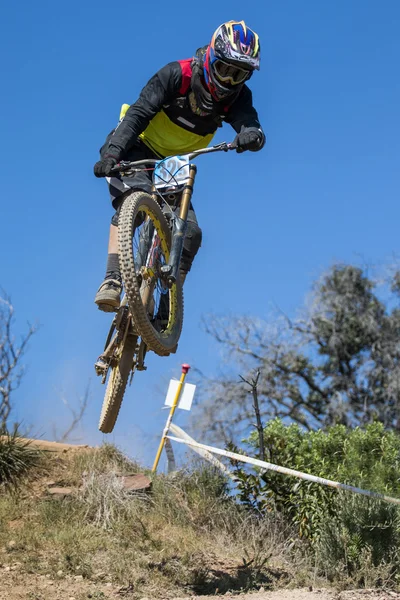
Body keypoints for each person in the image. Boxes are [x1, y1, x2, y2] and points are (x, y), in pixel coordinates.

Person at [93, 20, 265, 312]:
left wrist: (252, 135)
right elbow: (139, 113)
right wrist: (112, 154)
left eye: (240, 74)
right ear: (211, 56)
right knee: (132, 203)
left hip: (173, 164)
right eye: (225, 69)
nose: (230, 81)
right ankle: (112, 279)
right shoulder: (178, 74)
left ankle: (169, 303)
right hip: (136, 146)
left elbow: (249, 122)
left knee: (190, 235)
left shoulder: (238, 96)